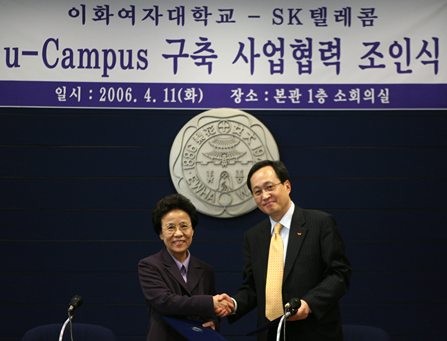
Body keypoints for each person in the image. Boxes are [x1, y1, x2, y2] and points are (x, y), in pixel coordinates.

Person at [222, 160, 352, 341]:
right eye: (257, 192)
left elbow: (339, 274)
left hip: (314, 332)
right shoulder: (253, 237)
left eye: (269, 187)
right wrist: (233, 304)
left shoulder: (320, 223)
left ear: (287, 186)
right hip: (269, 335)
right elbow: (254, 286)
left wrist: (309, 303)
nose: (265, 196)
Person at [138, 194, 233, 341]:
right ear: (160, 234)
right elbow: (166, 302)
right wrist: (210, 302)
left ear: (192, 230)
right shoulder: (149, 266)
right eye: (170, 227)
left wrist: (213, 322)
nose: (178, 234)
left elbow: (211, 315)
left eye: (184, 226)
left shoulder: (206, 270)